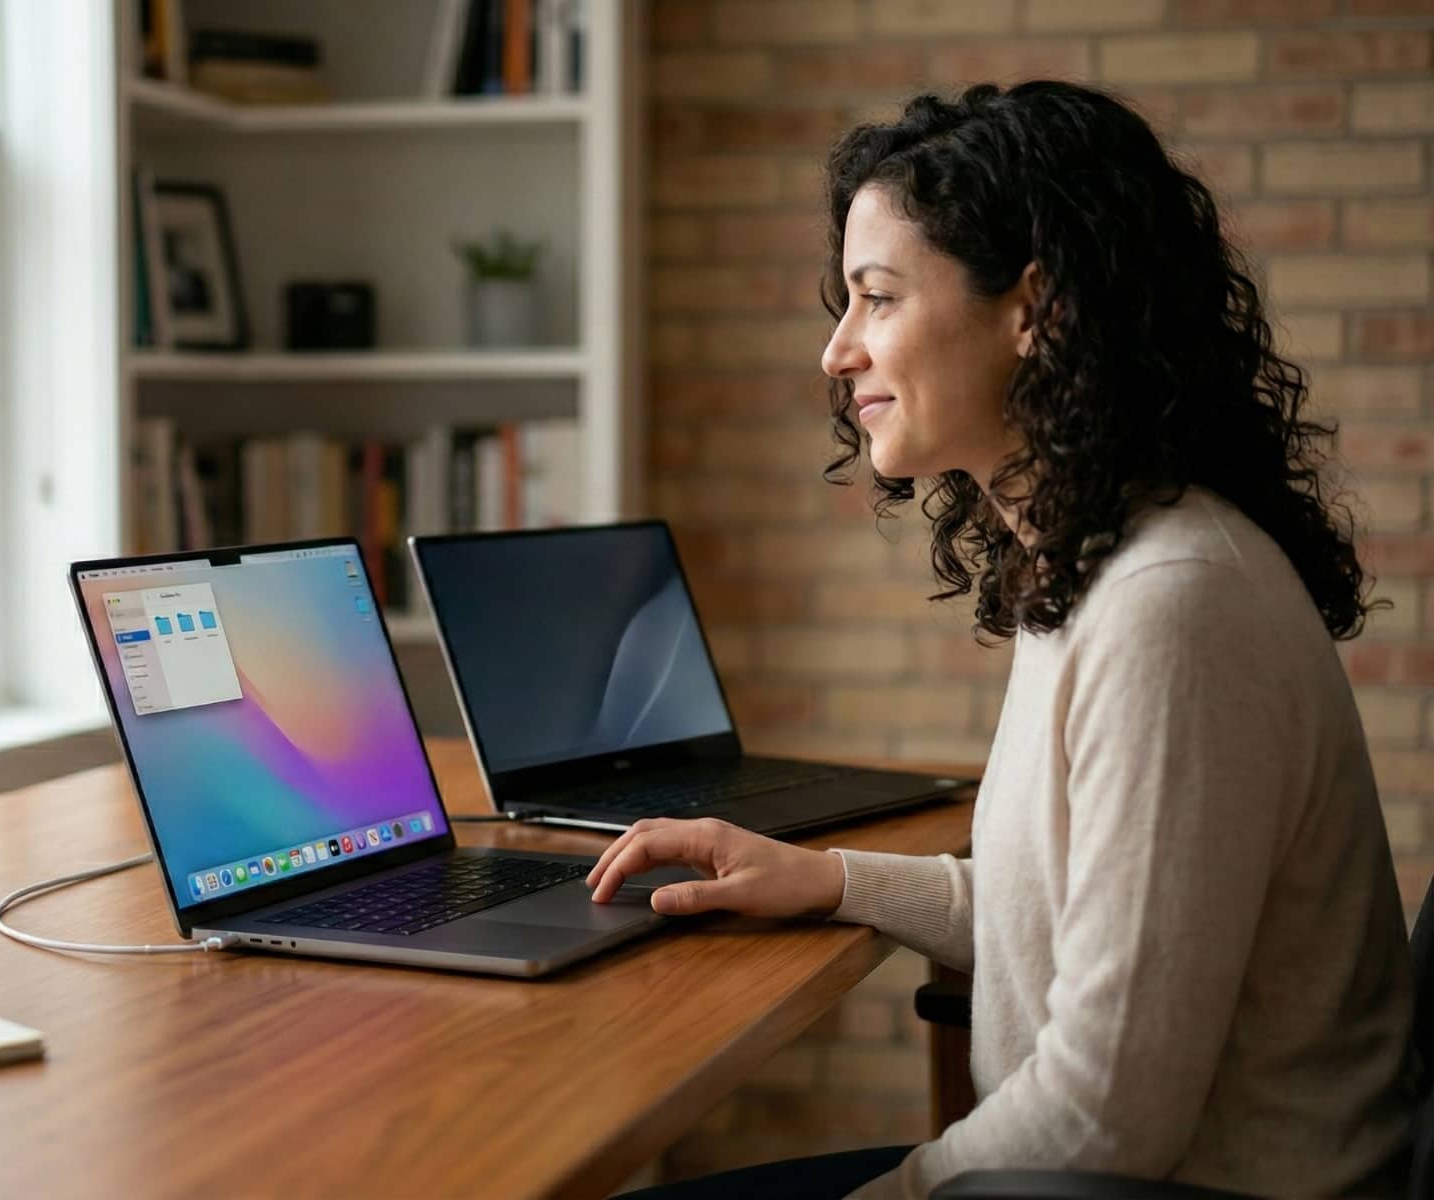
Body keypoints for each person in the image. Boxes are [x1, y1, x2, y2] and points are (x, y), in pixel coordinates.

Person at [593, 80, 1417, 1199]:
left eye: (876, 299)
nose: (836, 353)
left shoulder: (1169, 606)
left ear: (1035, 310)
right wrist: (826, 879)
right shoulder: (1102, 555)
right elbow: (1066, 921)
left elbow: (1103, 1114)